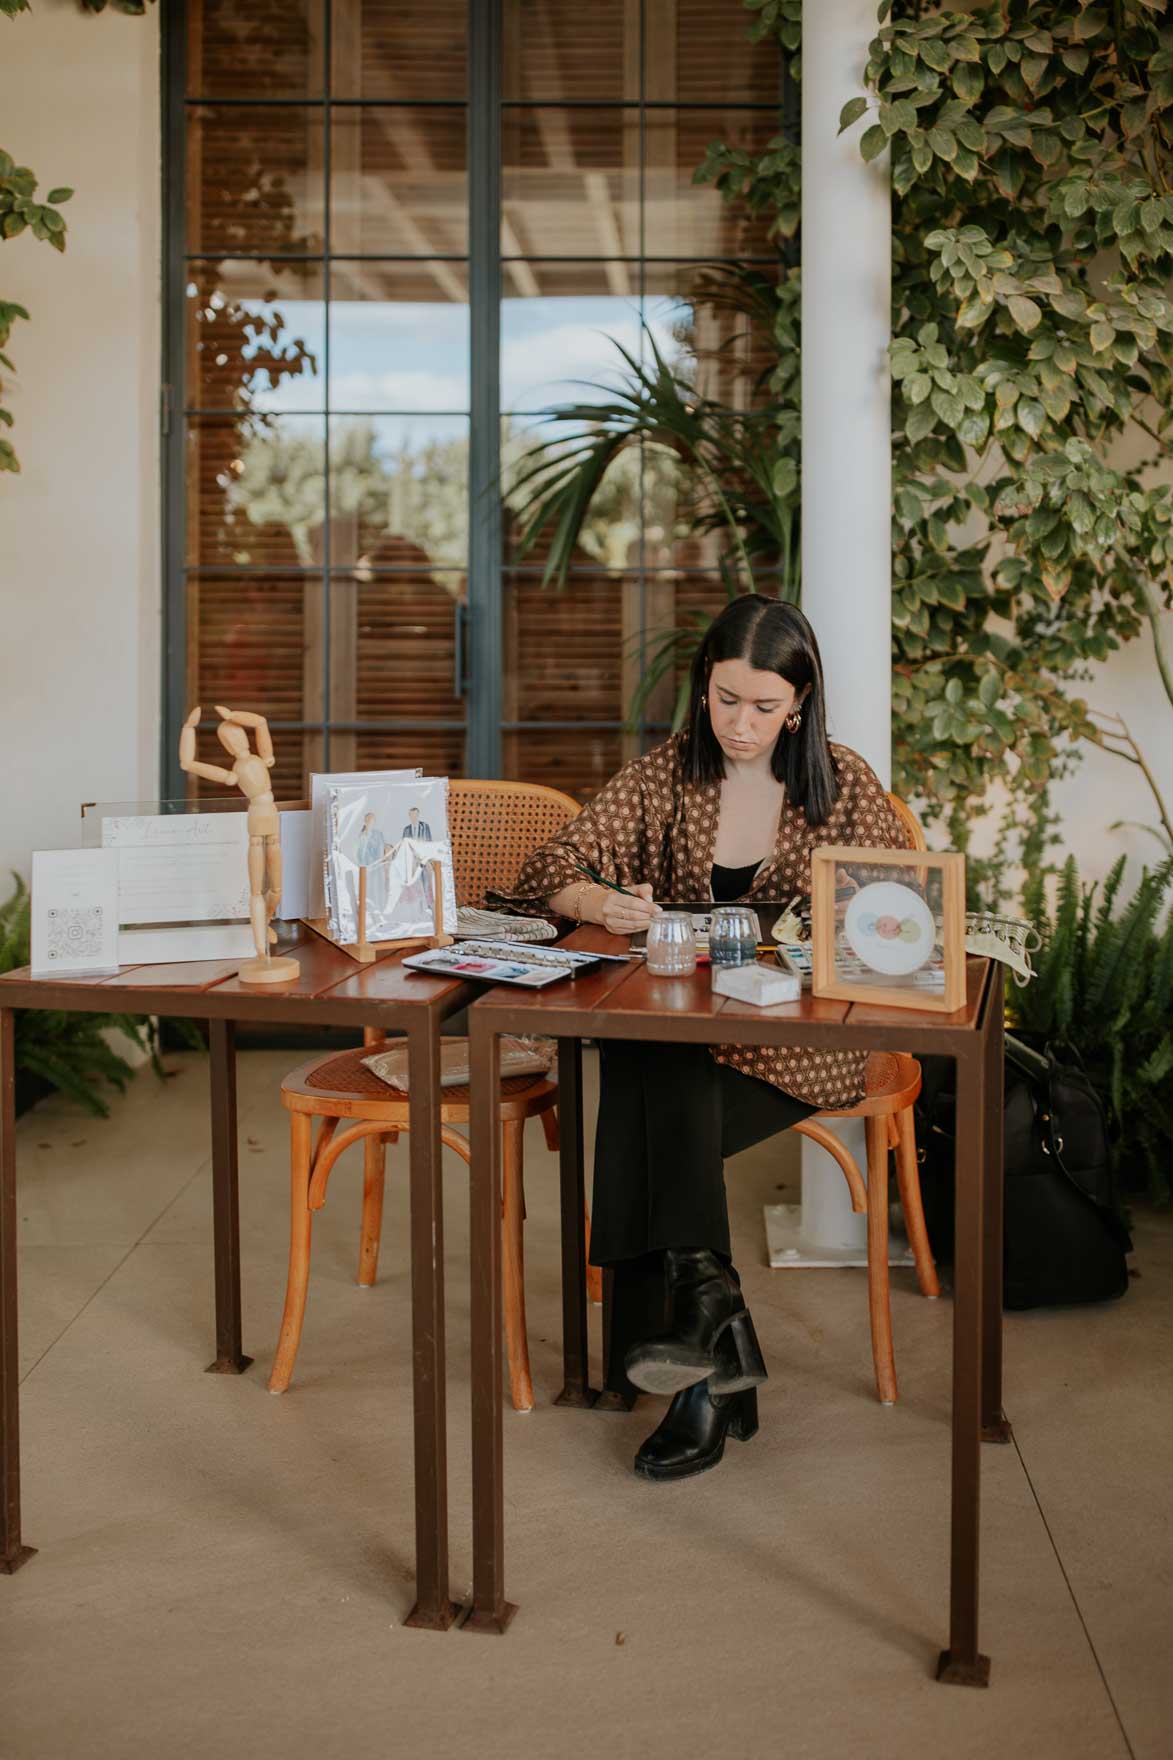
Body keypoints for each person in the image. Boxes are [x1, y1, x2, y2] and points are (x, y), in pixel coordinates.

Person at [493, 596, 910, 1483]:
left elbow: (894, 920)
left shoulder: (843, 784)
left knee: (642, 1090)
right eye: (726, 701)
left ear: (799, 701)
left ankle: (694, 1351)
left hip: (800, 1044)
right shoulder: (667, 775)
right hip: (687, 1033)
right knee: (651, 1053)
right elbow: (546, 869)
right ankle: (709, 1331)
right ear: (702, 690)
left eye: (765, 707)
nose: (743, 725)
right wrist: (594, 902)